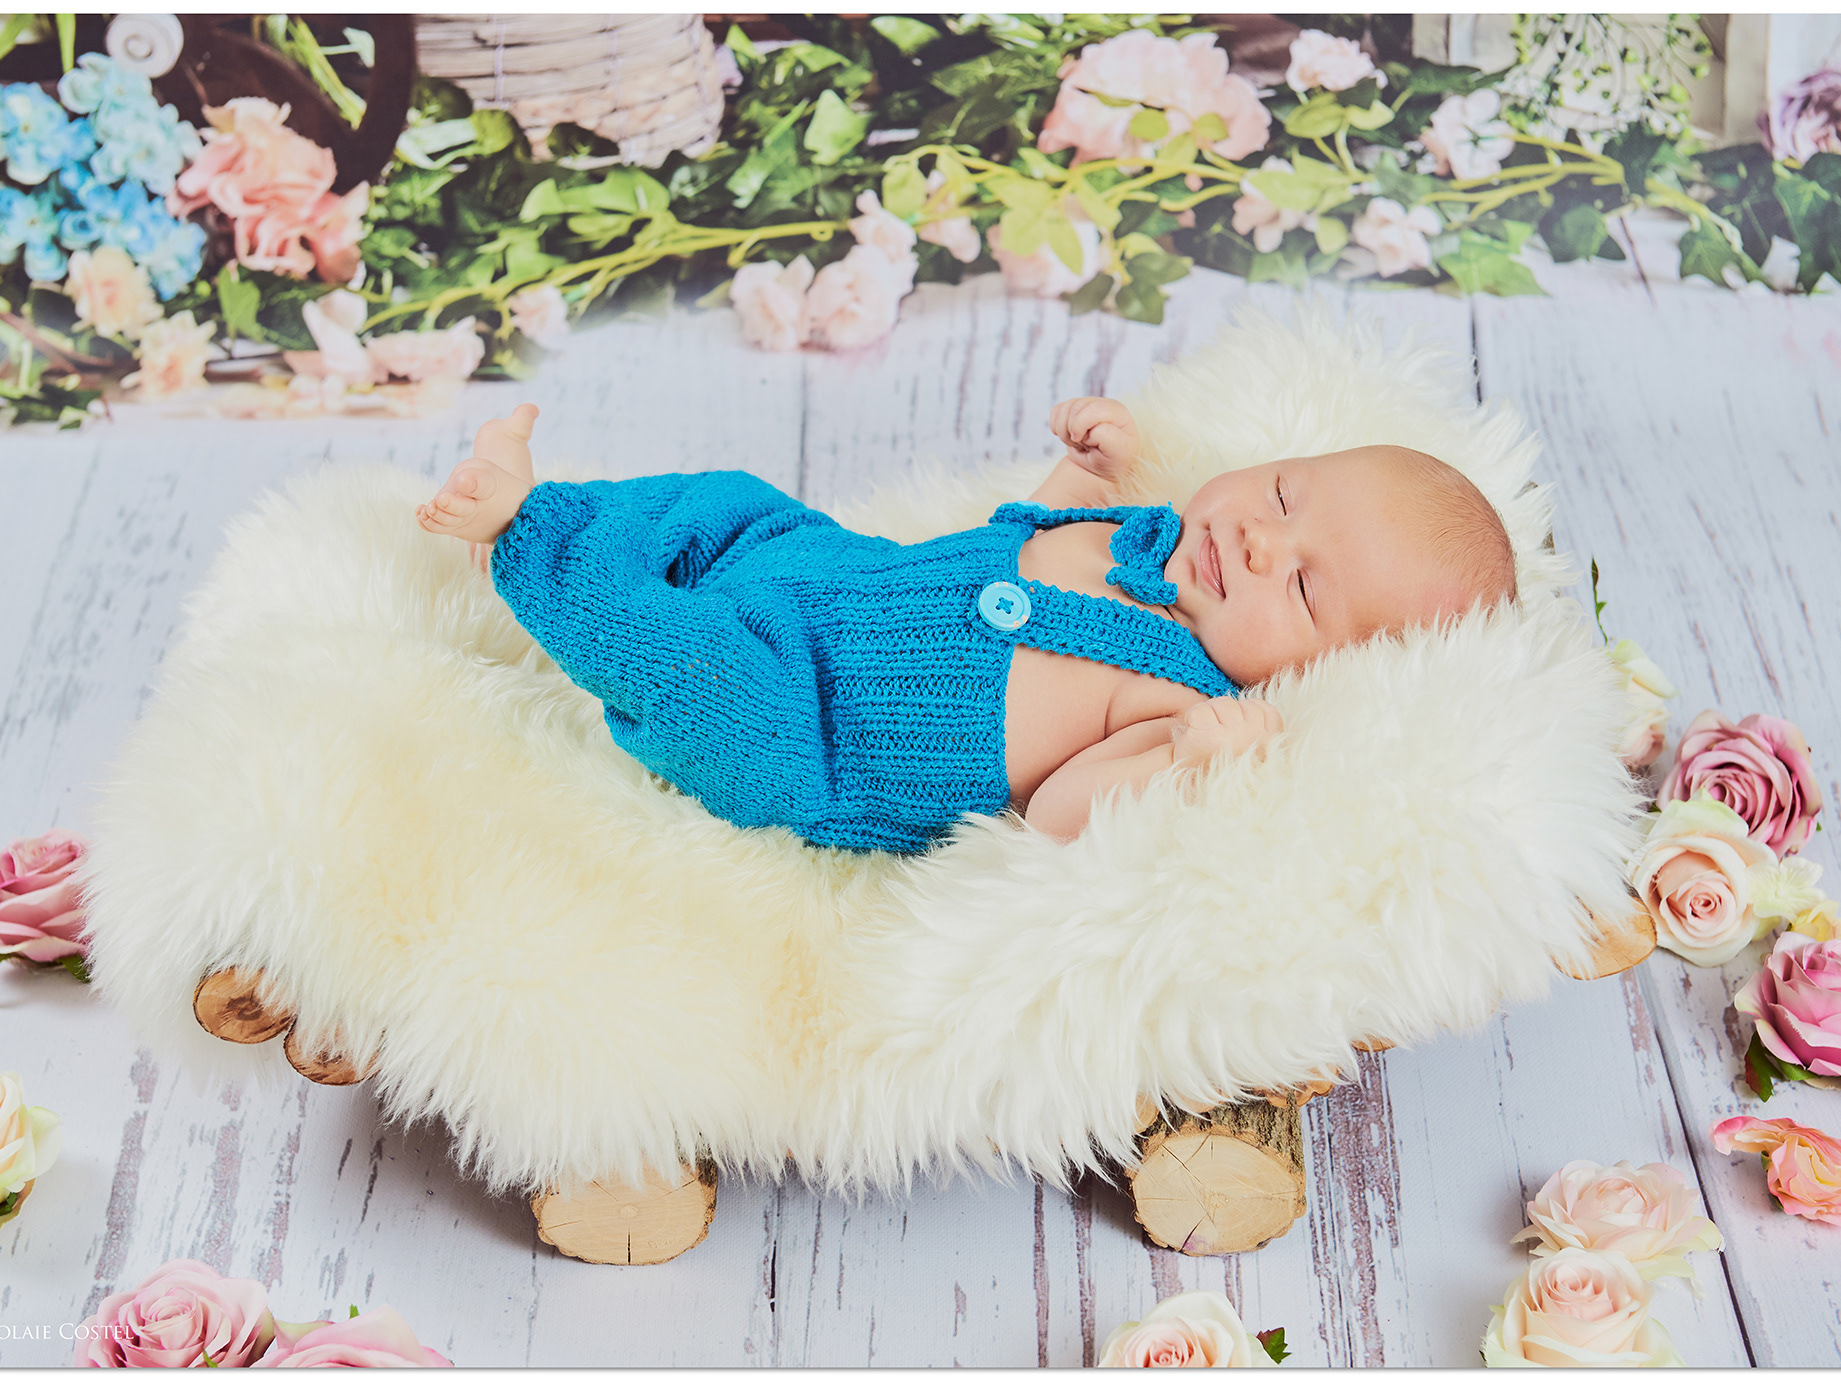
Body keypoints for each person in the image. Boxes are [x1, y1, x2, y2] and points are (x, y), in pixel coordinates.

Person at [415, 398, 1515, 850]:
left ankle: (523, 536)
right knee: (727, 504)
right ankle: (570, 523)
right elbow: (1016, 536)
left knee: (694, 678)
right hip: (827, 568)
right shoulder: (1139, 533)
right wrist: (1085, 472)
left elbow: (1059, 813)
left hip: (815, 738)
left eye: (1306, 591)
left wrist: (1186, 760)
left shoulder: (1180, 691)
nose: (1261, 542)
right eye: (1281, 493)